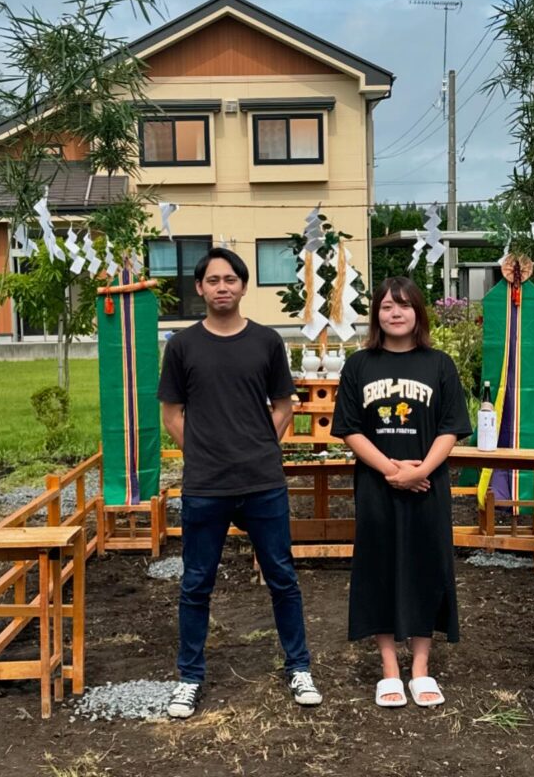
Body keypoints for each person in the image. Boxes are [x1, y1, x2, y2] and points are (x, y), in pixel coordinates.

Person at [159, 247, 323, 718]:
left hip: (262, 481)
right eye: (213, 280)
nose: (222, 287)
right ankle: (189, 676)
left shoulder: (267, 342)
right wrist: (207, 453)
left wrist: (258, 447)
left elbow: (285, 406)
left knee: (282, 578)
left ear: (244, 286)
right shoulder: (183, 346)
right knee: (196, 583)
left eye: (231, 279)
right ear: (199, 288)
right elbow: (172, 416)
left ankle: (299, 667)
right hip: (205, 486)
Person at [331, 276, 472, 708]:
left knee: (427, 567)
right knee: (380, 569)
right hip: (377, 488)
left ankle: (421, 668)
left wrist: (422, 470)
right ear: (376, 314)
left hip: (429, 487)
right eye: (387, 306)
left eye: (405, 305)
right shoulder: (359, 365)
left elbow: (451, 427)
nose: (395, 313)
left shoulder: (439, 364)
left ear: (418, 313)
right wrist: (393, 470)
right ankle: (390, 669)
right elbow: (349, 429)